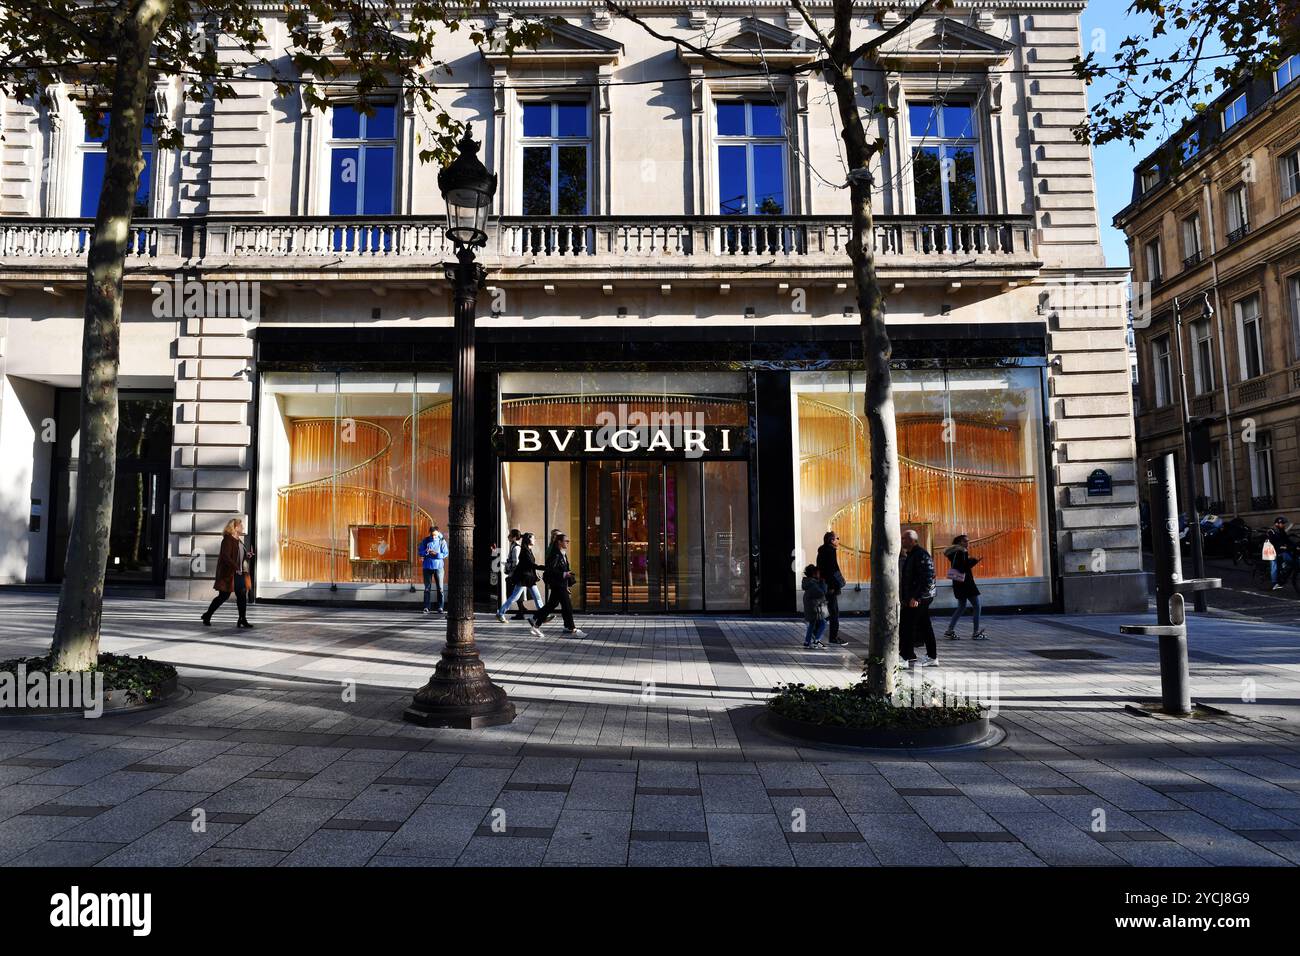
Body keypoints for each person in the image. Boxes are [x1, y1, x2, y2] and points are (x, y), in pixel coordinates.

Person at [202, 517, 254, 629]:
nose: (243, 527)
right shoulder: (227, 540)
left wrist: (247, 555)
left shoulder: (239, 540)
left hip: (240, 573)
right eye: (241, 526)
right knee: (223, 596)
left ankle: (242, 619)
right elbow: (226, 557)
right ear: (235, 527)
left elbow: (238, 556)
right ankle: (207, 615)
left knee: (242, 595)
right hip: (229, 573)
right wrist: (235, 567)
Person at [531, 532, 584, 637]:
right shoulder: (555, 554)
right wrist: (564, 574)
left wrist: (567, 580)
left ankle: (536, 625)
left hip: (561, 585)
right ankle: (572, 628)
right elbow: (551, 570)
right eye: (566, 541)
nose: (568, 543)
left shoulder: (561, 553)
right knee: (567, 606)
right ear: (559, 542)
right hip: (558, 585)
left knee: (551, 605)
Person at [899, 529, 937, 667]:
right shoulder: (912, 555)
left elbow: (927, 578)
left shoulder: (921, 555)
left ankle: (905, 657)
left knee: (907, 626)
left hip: (919, 598)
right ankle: (930, 656)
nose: (902, 540)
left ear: (913, 540)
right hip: (916, 597)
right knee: (925, 626)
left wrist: (916, 597)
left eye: (904, 538)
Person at [942, 534, 986, 641]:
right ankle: (975, 633)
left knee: (961, 607)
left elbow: (958, 566)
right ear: (959, 543)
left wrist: (969, 561)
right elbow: (962, 568)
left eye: (968, 541)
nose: (967, 543)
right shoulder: (962, 551)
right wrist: (973, 561)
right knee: (977, 606)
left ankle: (949, 630)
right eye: (965, 541)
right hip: (966, 583)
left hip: (958, 582)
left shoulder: (954, 552)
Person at [497, 531, 544, 623]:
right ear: (528, 539)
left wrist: (535, 573)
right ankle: (501, 613)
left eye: (510, 536)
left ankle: (543, 614)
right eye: (533, 538)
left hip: (528, 578)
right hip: (524, 578)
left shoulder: (525, 549)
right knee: (515, 597)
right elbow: (522, 564)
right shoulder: (522, 550)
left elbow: (527, 565)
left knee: (536, 597)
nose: (534, 540)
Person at [816, 531, 849, 645]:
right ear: (832, 540)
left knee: (827, 612)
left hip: (825, 585)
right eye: (837, 538)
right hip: (830, 587)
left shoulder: (822, 551)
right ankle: (833, 638)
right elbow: (831, 570)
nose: (838, 540)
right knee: (833, 612)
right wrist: (834, 586)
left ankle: (816, 635)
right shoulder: (829, 552)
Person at [419, 524, 449, 613]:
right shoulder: (425, 540)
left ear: (438, 533)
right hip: (427, 567)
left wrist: (437, 554)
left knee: (440, 588)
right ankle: (426, 607)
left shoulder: (441, 541)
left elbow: (446, 553)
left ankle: (440, 607)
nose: (434, 536)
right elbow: (420, 552)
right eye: (432, 535)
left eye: (435, 534)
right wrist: (426, 552)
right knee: (427, 588)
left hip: (439, 567)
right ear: (430, 533)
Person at [801, 564, 829, 649]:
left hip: (811, 606)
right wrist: (823, 583)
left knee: (812, 624)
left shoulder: (809, 582)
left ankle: (807, 642)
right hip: (816, 608)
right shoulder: (813, 584)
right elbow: (822, 592)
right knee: (823, 623)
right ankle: (816, 641)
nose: (819, 574)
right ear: (814, 574)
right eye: (818, 573)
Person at [1265, 516, 1292, 591]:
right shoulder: (1271, 531)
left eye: (1284, 524)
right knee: (1274, 565)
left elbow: (1287, 540)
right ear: (1277, 524)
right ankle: (1274, 583)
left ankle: (1283, 574)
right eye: (1282, 523)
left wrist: (1295, 545)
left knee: (1290, 559)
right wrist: (1281, 547)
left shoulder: (1281, 530)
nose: (1284, 525)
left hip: (1280, 550)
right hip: (1271, 550)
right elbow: (1272, 542)